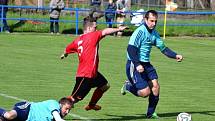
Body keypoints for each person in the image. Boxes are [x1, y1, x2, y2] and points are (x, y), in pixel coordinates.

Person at [121, 10, 183, 119]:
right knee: (145, 93)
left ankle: (150, 113)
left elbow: (163, 49)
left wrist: (175, 55)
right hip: (134, 63)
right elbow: (130, 49)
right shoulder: (140, 31)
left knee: (155, 86)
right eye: (151, 21)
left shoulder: (154, 33)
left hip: (146, 64)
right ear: (145, 20)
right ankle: (128, 86)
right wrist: (137, 64)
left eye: (155, 21)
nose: (153, 24)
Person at [60, 16, 127, 111]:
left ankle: (91, 104)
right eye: (95, 27)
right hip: (85, 75)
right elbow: (105, 31)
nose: (96, 29)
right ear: (88, 28)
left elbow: (67, 49)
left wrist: (64, 54)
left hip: (93, 74)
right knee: (72, 100)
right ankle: (55, 111)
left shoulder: (78, 40)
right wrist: (118, 29)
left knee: (105, 85)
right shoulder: (93, 35)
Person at [0, 97, 73, 121]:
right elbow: (58, 118)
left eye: (69, 110)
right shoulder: (54, 103)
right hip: (27, 109)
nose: (67, 112)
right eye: (66, 108)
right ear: (60, 105)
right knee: (9, 116)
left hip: (26, 119)